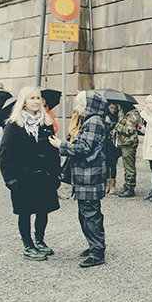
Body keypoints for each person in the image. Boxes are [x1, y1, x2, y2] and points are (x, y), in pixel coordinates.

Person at [0, 86, 60, 261]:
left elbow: (53, 151)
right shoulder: (14, 124)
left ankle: (39, 240)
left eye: (38, 98)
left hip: (44, 177)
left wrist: (56, 174)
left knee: (43, 211)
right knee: (25, 213)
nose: (36, 101)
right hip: (23, 178)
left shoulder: (46, 122)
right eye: (32, 98)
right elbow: (6, 154)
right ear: (24, 102)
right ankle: (28, 245)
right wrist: (10, 179)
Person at [49, 91, 109, 268]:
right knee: (87, 213)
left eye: (78, 104)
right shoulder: (92, 121)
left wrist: (61, 145)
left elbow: (85, 148)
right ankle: (94, 246)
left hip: (90, 176)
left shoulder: (93, 122)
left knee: (90, 214)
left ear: (87, 106)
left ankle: (97, 251)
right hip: (87, 176)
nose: (76, 108)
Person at [114, 102, 143, 198]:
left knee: (129, 167)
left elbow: (129, 130)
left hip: (129, 144)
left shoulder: (132, 115)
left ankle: (130, 188)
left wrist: (117, 126)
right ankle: (126, 186)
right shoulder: (127, 114)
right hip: (124, 143)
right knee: (126, 167)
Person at [104, 102, 120, 195]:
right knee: (106, 164)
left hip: (114, 143)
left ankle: (112, 184)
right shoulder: (105, 116)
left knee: (113, 164)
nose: (113, 110)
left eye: (114, 108)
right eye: (111, 108)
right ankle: (107, 184)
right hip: (107, 142)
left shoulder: (118, 116)